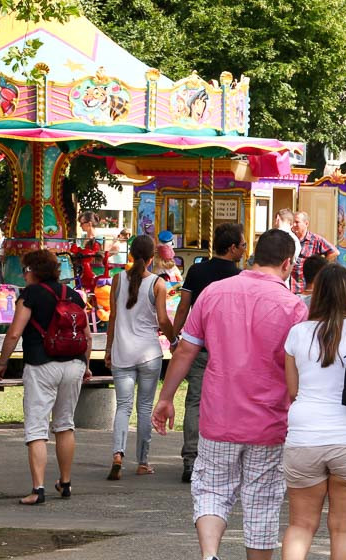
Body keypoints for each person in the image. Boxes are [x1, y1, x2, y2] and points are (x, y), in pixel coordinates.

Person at [152, 229, 306, 560]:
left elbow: (184, 351)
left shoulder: (214, 294)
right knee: (262, 499)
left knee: (211, 488)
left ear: (253, 256)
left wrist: (166, 398)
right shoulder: (293, 307)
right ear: (287, 263)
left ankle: (209, 554)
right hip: (269, 421)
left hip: (219, 417)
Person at [281, 264, 346, 560]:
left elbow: (293, 391)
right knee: (343, 529)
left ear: (316, 293)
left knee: (300, 526)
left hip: (305, 437)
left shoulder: (297, 334)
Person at [0, 249, 92, 505]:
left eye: (26, 270)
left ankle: (38, 489)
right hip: (74, 364)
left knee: (37, 426)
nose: (24, 274)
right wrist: (87, 365)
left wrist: (2, 362)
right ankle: (66, 482)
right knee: (65, 424)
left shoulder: (31, 295)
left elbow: (14, 333)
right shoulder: (73, 295)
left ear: (33, 271)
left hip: (41, 364)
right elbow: (87, 336)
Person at [170, 222, 246, 483]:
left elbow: (183, 307)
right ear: (233, 247)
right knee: (231, 403)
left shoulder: (197, 271)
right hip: (231, 351)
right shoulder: (240, 277)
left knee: (195, 402)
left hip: (199, 347)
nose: (245, 250)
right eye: (243, 245)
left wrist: (173, 334)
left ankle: (191, 459)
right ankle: (225, 459)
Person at [106, 234, 175, 480]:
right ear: (151, 258)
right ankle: (143, 462)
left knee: (123, 406)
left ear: (132, 255)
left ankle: (117, 454)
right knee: (144, 408)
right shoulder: (158, 283)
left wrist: (108, 349)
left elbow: (113, 317)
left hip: (122, 353)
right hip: (148, 354)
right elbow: (163, 320)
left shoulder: (117, 281)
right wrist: (174, 340)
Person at [290, 211, 339, 294]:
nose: (294, 225)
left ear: (306, 223)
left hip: (306, 289)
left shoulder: (315, 240)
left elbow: (334, 252)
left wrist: (320, 267)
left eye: (297, 222)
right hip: (290, 288)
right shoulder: (290, 239)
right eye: (293, 222)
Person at [70, 212, 103, 291]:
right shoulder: (83, 237)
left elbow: (94, 255)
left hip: (94, 269)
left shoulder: (98, 238)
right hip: (82, 269)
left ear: (90, 224)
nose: (80, 225)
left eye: (82, 223)